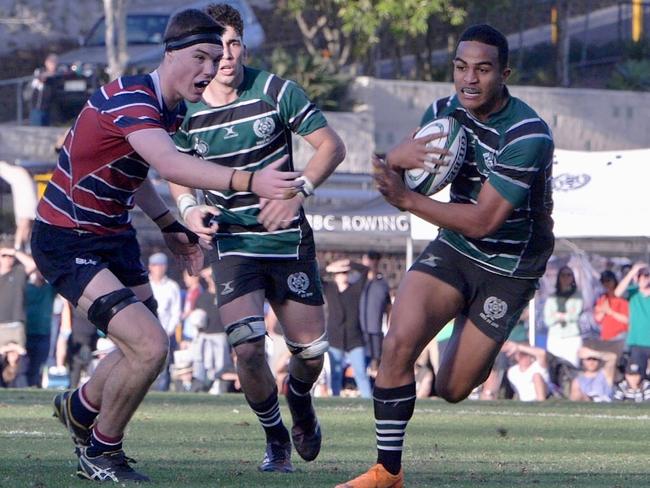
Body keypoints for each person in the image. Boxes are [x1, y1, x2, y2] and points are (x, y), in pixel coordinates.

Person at [30, 8, 302, 483]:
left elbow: (136, 175)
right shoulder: (132, 98)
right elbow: (168, 165)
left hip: (112, 235)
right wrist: (252, 180)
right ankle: (100, 451)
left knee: (145, 345)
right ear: (170, 54)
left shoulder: (169, 108)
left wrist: (169, 224)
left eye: (217, 58)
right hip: (66, 237)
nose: (210, 68)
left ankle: (81, 406)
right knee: (150, 346)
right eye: (200, 56)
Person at [337, 24, 554, 487]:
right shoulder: (442, 113)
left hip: (510, 267)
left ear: (504, 73)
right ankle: (386, 472)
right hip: (454, 249)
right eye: (460, 67)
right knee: (397, 344)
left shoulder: (528, 133)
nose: (469, 79)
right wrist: (392, 158)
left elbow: (483, 220)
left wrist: (407, 200)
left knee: (453, 388)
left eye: (482, 69)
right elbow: (402, 174)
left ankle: (482, 334)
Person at [169, 3, 345, 473]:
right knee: (246, 347)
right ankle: (275, 441)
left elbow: (332, 146)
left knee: (310, 354)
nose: (224, 57)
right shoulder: (186, 111)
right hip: (232, 244)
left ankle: (301, 399)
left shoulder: (275, 91)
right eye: (214, 49)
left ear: (244, 45)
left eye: (233, 44)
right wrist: (189, 208)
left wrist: (300, 190)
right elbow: (176, 172)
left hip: (287, 241)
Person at [324, 259, 372, 399]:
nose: (343, 275)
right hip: (335, 338)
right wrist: (329, 268)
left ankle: (367, 401)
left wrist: (349, 263)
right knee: (336, 373)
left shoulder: (355, 289)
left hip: (354, 339)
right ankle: (335, 400)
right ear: (335, 275)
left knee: (361, 372)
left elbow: (365, 271)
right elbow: (315, 276)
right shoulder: (329, 288)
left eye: (345, 272)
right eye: (340, 273)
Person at [148, 252, 182, 391]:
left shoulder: (172, 286)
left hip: (165, 331)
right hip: (145, 331)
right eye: (156, 265)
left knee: (163, 364)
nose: (159, 268)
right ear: (150, 267)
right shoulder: (145, 284)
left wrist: (169, 330)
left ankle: (161, 390)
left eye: (162, 265)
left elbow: (176, 311)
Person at [359, 251, 392, 376]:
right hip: (359, 331)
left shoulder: (382, 283)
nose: (372, 262)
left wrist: (389, 326)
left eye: (374, 259)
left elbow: (389, 307)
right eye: (369, 259)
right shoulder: (358, 282)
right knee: (360, 362)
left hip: (376, 330)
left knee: (376, 361)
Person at [543, 266, 583, 368]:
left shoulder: (577, 296)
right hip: (555, 337)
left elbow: (575, 316)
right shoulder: (552, 298)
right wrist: (567, 315)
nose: (566, 278)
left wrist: (557, 315)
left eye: (569, 275)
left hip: (572, 337)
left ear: (573, 278)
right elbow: (548, 320)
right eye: (563, 275)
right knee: (554, 367)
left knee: (572, 366)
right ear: (559, 277)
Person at [0, 238, 37, 349]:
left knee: (17, 363)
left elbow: (33, 265)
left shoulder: (19, 272)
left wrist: (15, 252)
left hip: (16, 324)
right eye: (4, 255)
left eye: (10, 256)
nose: (7, 259)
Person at [615, 263, 650, 377]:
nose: (645, 279)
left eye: (647, 276)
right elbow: (617, 293)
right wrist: (632, 272)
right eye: (642, 276)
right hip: (637, 342)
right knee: (638, 375)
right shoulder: (633, 292)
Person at [587, 270, 629, 361]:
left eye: (608, 281)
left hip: (620, 337)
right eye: (604, 281)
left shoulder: (622, 300)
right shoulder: (602, 299)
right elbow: (597, 318)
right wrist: (603, 310)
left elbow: (627, 320)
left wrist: (610, 312)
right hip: (606, 338)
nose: (606, 284)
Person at [24, 269, 56, 387]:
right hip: (27, 331)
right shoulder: (26, 288)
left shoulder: (49, 289)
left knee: (39, 364)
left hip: (43, 333)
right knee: (25, 364)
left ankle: (35, 385)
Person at [0, 161, 39, 251]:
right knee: (25, 223)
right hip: (27, 198)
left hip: (27, 198)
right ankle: (19, 248)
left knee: (26, 223)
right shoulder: (18, 174)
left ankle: (19, 248)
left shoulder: (17, 174)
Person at [29, 53, 59, 126]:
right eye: (51, 63)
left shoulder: (55, 75)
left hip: (48, 108)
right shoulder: (40, 71)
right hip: (38, 108)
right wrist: (47, 75)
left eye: (55, 63)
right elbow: (40, 78)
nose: (53, 65)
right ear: (46, 62)